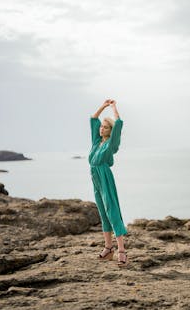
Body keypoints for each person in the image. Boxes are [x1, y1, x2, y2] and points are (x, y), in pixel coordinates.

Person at [88, 99, 128, 266]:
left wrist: (113, 108)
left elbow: (118, 123)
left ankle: (122, 250)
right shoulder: (97, 142)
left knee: (112, 211)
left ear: (110, 131)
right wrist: (103, 106)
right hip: (95, 177)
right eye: (101, 126)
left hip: (105, 176)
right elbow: (92, 119)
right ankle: (108, 248)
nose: (101, 128)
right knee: (103, 213)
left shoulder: (111, 144)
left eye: (104, 127)